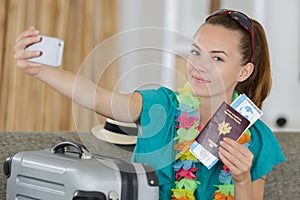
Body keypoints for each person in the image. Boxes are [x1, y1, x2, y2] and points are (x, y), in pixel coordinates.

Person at [14, 9, 285, 200]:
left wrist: (241, 179)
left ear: (243, 72)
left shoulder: (257, 139)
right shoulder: (160, 107)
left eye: (217, 59)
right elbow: (97, 97)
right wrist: (40, 71)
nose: (198, 66)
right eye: (195, 52)